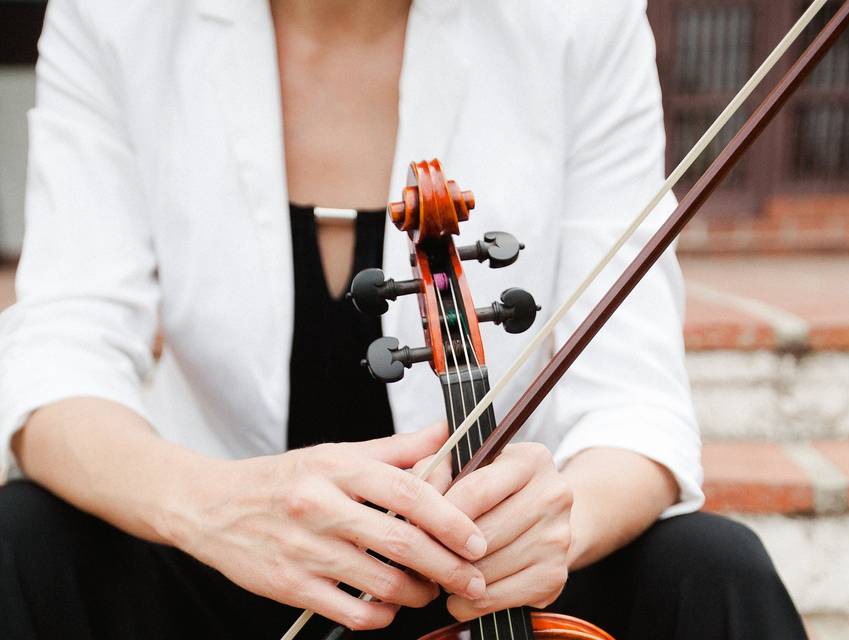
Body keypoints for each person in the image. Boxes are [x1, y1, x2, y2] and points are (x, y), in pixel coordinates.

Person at [0, 0, 807, 638]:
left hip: (488, 580)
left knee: (714, 570)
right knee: (21, 539)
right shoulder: (116, 16)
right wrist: (212, 505)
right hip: (232, 569)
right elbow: (60, 358)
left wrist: (562, 521)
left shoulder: (578, 17)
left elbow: (638, 403)